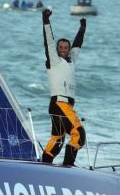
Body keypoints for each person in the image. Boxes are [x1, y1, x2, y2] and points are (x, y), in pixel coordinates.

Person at [41, 9, 87, 166]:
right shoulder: (54, 61)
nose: (62, 49)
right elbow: (48, 41)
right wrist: (45, 20)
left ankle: (45, 164)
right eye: (60, 47)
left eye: (65, 48)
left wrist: (82, 28)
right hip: (59, 104)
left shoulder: (71, 60)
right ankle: (68, 165)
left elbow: (78, 45)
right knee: (79, 135)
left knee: (58, 139)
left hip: (63, 106)